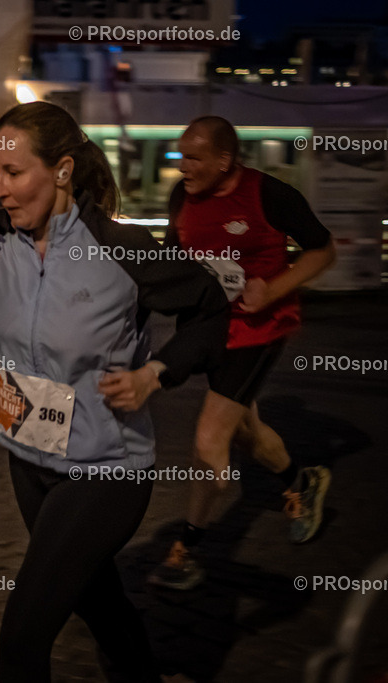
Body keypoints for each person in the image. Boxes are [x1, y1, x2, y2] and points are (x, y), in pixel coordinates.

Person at [0, 101, 228, 681]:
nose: (0, 189)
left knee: (22, 638)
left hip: (105, 470)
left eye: (14, 174)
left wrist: (155, 373)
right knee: (100, 603)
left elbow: (210, 312)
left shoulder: (120, 247)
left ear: (62, 170)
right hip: (28, 460)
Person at [149, 116, 336, 590]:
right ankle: (303, 480)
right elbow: (174, 261)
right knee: (247, 431)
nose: (182, 166)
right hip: (210, 332)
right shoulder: (181, 198)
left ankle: (187, 548)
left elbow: (323, 251)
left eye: (193, 158)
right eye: (180, 155)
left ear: (224, 160)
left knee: (209, 439)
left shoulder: (268, 194)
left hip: (257, 330)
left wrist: (272, 290)